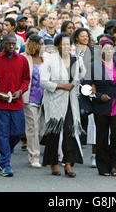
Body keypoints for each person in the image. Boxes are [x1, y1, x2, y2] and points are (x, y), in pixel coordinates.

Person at [0, 33, 30, 177]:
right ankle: (5, 164)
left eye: (13, 44)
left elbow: (26, 79)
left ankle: (5, 151)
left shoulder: (22, 60)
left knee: (17, 132)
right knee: (2, 134)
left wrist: (20, 91)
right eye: (8, 44)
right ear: (3, 44)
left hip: (17, 103)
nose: (11, 46)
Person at [40, 33, 85, 178]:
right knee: (54, 133)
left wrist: (80, 61)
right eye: (63, 43)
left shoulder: (75, 59)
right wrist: (61, 86)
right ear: (57, 45)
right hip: (54, 100)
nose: (66, 46)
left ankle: (68, 163)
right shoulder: (50, 59)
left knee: (70, 131)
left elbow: (82, 74)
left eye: (68, 44)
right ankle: (53, 163)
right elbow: (44, 81)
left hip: (71, 101)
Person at [84, 38, 116, 176]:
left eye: (111, 48)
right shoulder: (93, 66)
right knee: (101, 137)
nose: (108, 50)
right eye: (105, 48)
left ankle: (114, 165)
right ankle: (103, 167)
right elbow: (85, 87)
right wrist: (98, 96)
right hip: (101, 106)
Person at [22, 34, 44, 168]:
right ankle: (34, 156)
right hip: (30, 98)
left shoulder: (46, 58)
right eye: (41, 44)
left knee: (43, 129)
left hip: (46, 97)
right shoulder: (24, 58)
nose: (43, 46)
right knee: (33, 128)